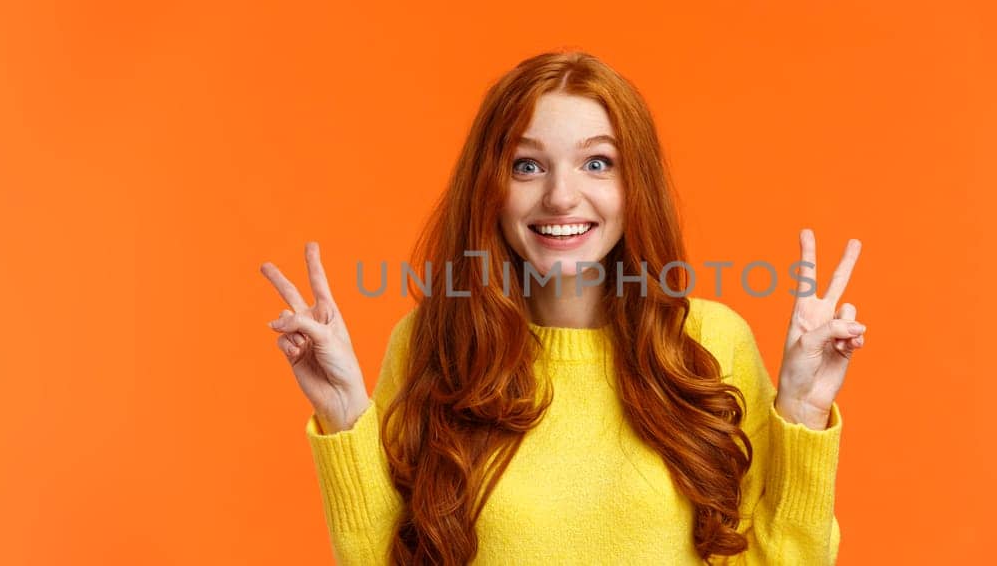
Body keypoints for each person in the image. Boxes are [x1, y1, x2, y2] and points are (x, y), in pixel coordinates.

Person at [258, 51, 867, 565]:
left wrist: (805, 412)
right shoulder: (432, 343)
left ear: (636, 187)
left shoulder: (709, 341)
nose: (560, 195)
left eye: (597, 162)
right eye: (527, 165)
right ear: (489, 189)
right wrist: (341, 411)